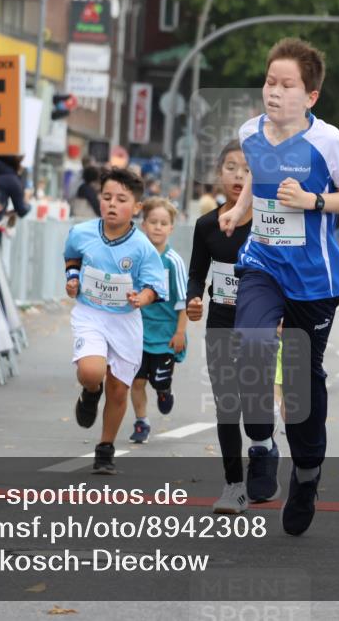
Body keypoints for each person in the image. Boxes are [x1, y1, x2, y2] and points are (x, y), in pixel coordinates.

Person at [217, 38, 339, 535]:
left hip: (313, 278)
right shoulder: (249, 132)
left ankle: (306, 475)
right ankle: (261, 445)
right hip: (262, 263)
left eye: (287, 85)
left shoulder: (327, 140)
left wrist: (312, 200)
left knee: (301, 385)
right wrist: (238, 212)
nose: (274, 92)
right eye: (269, 82)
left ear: (311, 97)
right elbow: (258, 186)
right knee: (250, 349)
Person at [65, 167, 168, 474]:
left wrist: (143, 298)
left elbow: (155, 286)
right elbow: (72, 257)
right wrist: (72, 278)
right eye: (107, 197)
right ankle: (90, 391)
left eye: (121, 199)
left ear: (136, 208)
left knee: (120, 389)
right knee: (91, 371)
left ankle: (105, 448)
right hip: (90, 313)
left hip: (125, 320)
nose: (112, 204)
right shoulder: (81, 232)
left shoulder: (142, 247)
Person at [186, 139, 254, 514]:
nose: (239, 175)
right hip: (222, 323)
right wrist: (194, 299)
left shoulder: (268, 223)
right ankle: (234, 485)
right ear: (218, 173)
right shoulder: (207, 225)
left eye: (247, 168)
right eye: (231, 167)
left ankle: (263, 450)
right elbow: (197, 275)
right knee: (227, 405)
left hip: (260, 325)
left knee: (255, 405)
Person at [128, 197, 188, 444]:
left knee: (158, 380)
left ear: (171, 228)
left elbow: (183, 301)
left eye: (164, 223)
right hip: (138, 331)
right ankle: (141, 422)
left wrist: (180, 333)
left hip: (165, 334)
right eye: (153, 222)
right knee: (137, 380)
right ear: (144, 225)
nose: (158, 227)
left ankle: (164, 391)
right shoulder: (137, 258)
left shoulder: (174, 262)